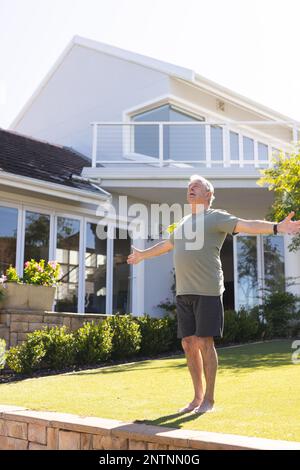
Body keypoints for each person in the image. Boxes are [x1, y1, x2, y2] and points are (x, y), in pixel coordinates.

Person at [127, 174, 300, 414]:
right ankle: (196, 397)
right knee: (188, 344)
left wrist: (276, 228)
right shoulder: (184, 222)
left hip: (207, 290)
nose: (190, 189)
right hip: (184, 292)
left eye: (196, 186)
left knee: (204, 342)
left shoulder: (215, 217)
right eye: (189, 187)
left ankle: (209, 399)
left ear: (208, 194)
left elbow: (246, 224)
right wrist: (143, 255)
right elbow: (167, 245)